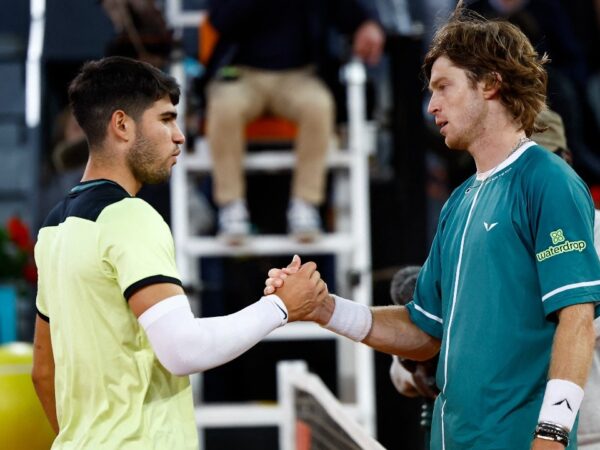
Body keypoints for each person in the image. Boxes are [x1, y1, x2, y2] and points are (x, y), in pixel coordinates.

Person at [265, 6, 600, 449]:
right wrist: (326, 310)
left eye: (444, 87)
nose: (432, 105)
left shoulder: (548, 180)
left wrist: (553, 435)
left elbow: (576, 320)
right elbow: (424, 334)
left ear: (490, 84)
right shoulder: (458, 202)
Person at [30, 56, 327, 449]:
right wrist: (280, 308)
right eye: (166, 119)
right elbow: (183, 350)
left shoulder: (53, 228)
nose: (180, 135)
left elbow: (42, 371)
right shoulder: (130, 217)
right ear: (122, 125)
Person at [204, 0, 385, 243]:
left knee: (318, 106)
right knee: (224, 107)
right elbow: (220, 20)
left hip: (299, 74)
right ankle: (231, 207)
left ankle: (306, 205)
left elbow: (348, 9)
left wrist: (368, 22)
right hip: (241, 71)